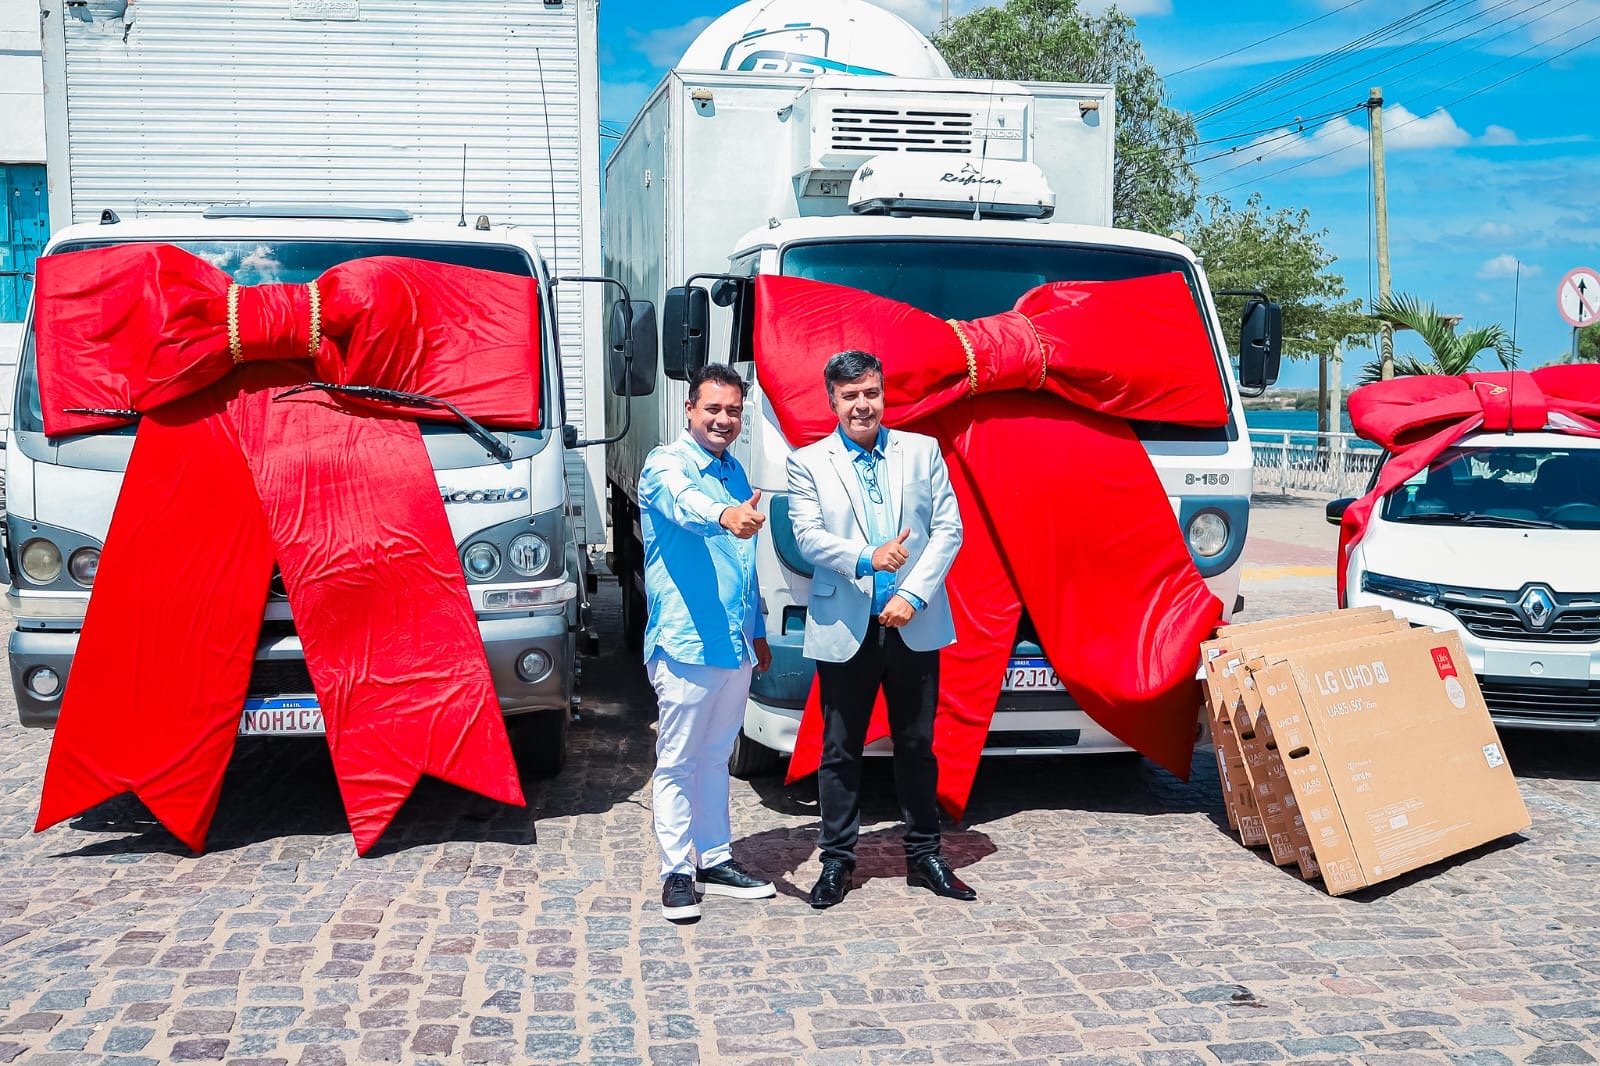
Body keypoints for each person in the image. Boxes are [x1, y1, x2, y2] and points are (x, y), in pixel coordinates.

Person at [786, 349, 969, 909]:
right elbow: (808, 536)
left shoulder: (922, 451)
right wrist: (868, 557)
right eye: (850, 396)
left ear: (883, 393)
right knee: (840, 748)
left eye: (870, 393)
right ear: (833, 402)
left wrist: (913, 594)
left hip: (911, 623)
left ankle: (925, 856)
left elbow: (948, 528)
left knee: (917, 744)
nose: (862, 405)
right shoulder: (808, 462)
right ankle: (838, 861)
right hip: (847, 622)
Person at [638, 363, 776, 922]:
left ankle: (715, 859)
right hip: (687, 642)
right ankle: (676, 869)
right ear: (689, 411)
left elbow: (745, 562)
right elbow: (687, 508)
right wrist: (724, 515)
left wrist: (760, 630)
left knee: (716, 758)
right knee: (677, 761)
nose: (724, 419)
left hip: (734, 643)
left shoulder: (737, 471)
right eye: (713, 409)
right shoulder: (664, 464)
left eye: (734, 410)